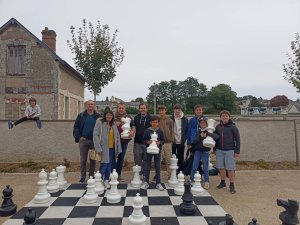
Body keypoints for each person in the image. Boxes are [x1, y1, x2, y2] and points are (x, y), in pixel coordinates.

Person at [73, 100, 101, 183]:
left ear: (94, 105)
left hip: (94, 141)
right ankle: (82, 177)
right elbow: (76, 127)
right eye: (89, 104)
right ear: (86, 105)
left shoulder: (98, 116)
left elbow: (101, 128)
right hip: (84, 140)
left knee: (93, 159)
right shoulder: (81, 116)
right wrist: (79, 137)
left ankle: (91, 175)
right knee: (83, 159)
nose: (90, 106)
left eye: (92, 104)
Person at [93, 110, 122, 188]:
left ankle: (106, 180)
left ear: (112, 116)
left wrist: (118, 148)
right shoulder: (100, 123)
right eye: (107, 115)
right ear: (105, 115)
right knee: (104, 164)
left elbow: (117, 137)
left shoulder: (113, 124)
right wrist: (98, 148)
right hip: (103, 148)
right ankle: (99, 181)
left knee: (109, 165)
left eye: (111, 115)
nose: (109, 116)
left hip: (112, 148)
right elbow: (95, 135)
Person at [214, 110, 240, 194]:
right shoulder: (217, 127)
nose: (224, 117)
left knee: (230, 168)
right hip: (219, 150)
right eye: (223, 115)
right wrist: (214, 148)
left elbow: (238, 139)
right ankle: (222, 182)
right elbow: (215, 138)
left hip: (230, 150)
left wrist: (237, 151)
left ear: (229, 117)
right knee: (221, 167)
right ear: (220, 117)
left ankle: (232, 185)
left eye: (226, 115)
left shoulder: (233, 127)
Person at [190, 118, 217, 189]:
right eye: (201, 123)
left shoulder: (209, 131)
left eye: (204, 123)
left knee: (205, 168)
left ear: (206, 124)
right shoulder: (198, 131)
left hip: (205, 152)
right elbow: (194, 141)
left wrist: (208, 134)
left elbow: (216, 137)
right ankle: (192, 180)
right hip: (198, 151)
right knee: (194, 167)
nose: (202, 124)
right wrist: (200, 136)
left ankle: (206, 182)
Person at [141, 116, 165, 190]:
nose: (155, 123)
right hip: (149, 150)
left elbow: (163, 140)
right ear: (151, 122)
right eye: (153, 122)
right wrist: (148, 142)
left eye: (156, 122)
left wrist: (159, 142)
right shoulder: (147, 131)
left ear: (158, 123)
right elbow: (143, 140)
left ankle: (158, 183)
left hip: (157, 150)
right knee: (147, 166)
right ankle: (146, 182)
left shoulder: (160, 131)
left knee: (157, 166)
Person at [114, 102, 136, 180]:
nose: (121, 109)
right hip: (113, 141)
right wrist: (114, 124)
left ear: (125, 108)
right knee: (112, 158)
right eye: (119, 108)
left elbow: (133, 126)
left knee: (121, 157)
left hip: (124, 141)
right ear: (117, 108)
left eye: (122, 108)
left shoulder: (128, 117)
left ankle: (118, 174)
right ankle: (112, 175)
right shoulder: (113, 116)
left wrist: (132, 132)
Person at [133, 102, 151, 176]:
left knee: (146, 161)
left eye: (144, 108)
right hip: (137, 143)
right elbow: (133, 128)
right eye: (141, 108)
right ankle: (138, 176)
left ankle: (145, 176)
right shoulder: (136, 118)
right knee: (137, 160)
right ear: (139, 109)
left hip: (147, 143)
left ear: (147, 109)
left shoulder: (150, 118)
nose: (143, 110)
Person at [170, 103, 188, 174]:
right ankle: (174, 170)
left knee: (181, 156)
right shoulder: (171, 119)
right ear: (174, 110)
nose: (177, 111)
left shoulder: (185, 119)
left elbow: (186, 130)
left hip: (181, 141)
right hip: (173, 141)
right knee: (173, 155)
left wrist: (185, 140)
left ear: (181, 110)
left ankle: (181, 170)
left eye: (179, 109)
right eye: (176, 109)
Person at [157, 105, 174, 177]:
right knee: (158, 160)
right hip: (159, 142)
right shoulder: (157, 120)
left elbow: (172, 131)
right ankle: (157, 175)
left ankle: (170, 175)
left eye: (162, 110)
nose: (161, 112)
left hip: (168, 142)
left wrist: (172, 140)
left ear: (165, 110)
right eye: (160, 110)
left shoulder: (170, 120)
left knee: (168, 160)